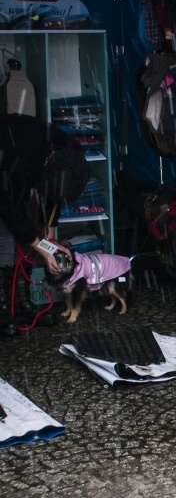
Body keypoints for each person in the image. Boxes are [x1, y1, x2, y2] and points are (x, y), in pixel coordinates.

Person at [0, 113, 90, 335]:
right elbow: (10, 210)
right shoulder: (18, 160)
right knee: (6, 236)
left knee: (31, 235)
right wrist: (40, 246)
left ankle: (22, 305)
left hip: (24, 164)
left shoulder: (71, 154)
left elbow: (55, 197)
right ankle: (2, 308)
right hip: (5, 161)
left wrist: (49, 239)